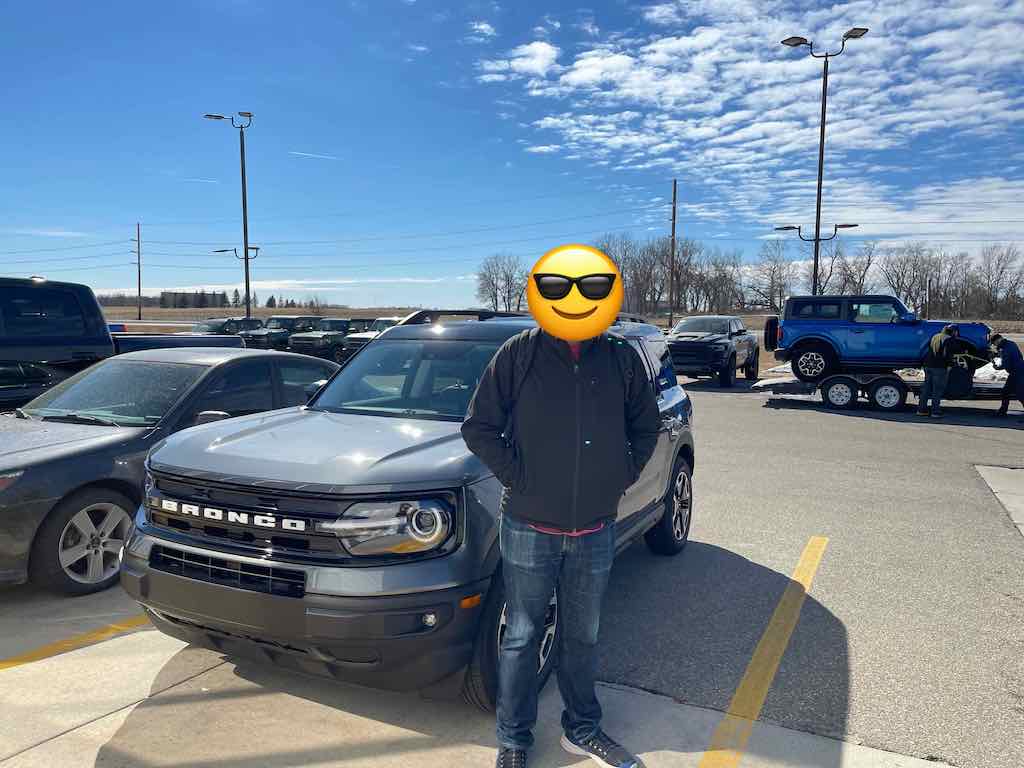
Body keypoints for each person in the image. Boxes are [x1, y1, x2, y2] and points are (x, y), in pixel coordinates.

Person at [462, 329, 660, 768]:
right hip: (530, 525)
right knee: (521, 634)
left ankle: (582, 729)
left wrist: (619, 474)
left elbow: (647, 425)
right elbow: (479, 426)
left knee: (582, 635)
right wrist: (519, 476)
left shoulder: (619, 357)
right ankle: (513, 740)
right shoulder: (519, 354)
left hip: (594, 527)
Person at [918, 324, 959, 418]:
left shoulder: (935, 336)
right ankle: (935, 412)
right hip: (939, 367)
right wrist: (950, 365)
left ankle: (921, 410)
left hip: (928, 365)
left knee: (927, 388)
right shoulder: (949, 339)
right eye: (956, 332)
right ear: (953, 331)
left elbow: (927, 348)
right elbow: (948, 354)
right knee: (937, 390)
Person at [990, 333, 1024, 420]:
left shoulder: (1004, 349)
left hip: (1017, 373)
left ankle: (1002, 411)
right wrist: (997, 354)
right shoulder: (1011, 343)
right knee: (1006, 391)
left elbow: (1006, 363)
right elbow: (1016, 355)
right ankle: (1002, 411)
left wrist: (997, 367)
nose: (994, 345)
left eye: (994, 343)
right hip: (1018, 370)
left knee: (1020, 394)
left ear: (998, 340)